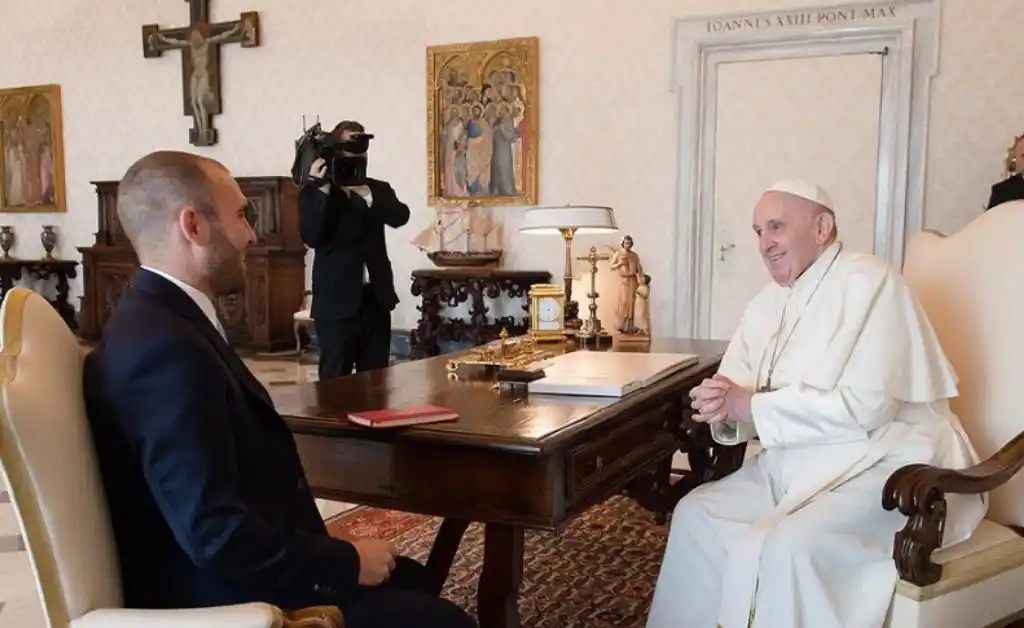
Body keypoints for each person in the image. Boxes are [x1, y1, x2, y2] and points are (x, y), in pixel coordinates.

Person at [83, 150, 475, 628]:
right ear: (193, 226)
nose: (251, 234)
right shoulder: (165, 349)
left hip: (242, 568)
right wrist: (344, 563)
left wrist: (335, 552)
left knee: (411, 578)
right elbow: (215, 534)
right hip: (225, 601)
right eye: (241, 216)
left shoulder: (156, 320)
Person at [645, 179, 987, 628]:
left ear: (821, 228)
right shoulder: (768, 302)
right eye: (758, 231)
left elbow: (866, 407)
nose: (765, 243)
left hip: (886, 462)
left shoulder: (870, 282)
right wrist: (721, 405)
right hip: (796, 464)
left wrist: (749, 407)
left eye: (776, 227)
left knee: (790, 545)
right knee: (696, 515)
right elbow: (739, 389)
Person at [299, 120, 410, 380]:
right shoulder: (316, 191)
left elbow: (400, 216)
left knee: (377, 382)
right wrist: (322, 189)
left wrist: (366, 194)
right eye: (349, 147)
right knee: (334, 382)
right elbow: (312, 237)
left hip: (376, 300)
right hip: (336, 303)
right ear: (335, 152)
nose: (357, 154)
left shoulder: (377, 189)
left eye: (362, 147)